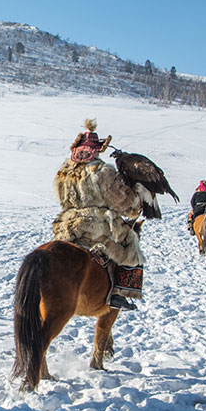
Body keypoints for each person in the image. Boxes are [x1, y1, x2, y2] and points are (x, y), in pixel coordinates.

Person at [51, 118, 145, 311]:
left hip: (66, 226)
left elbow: (61, 198)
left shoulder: (62, 171)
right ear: (98, 149)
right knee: (131, 244)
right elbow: (124, 202)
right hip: (98, 226)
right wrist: (136, 204)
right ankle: (120, 293)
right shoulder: (102, 171)